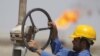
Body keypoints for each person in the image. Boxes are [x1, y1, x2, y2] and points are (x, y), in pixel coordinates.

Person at [28, 22, 96, 56]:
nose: (72, 41)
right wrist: (54, 33)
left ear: (83, 43)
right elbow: (58, 50)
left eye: (75, 40)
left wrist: (39, 50)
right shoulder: (76, 54)